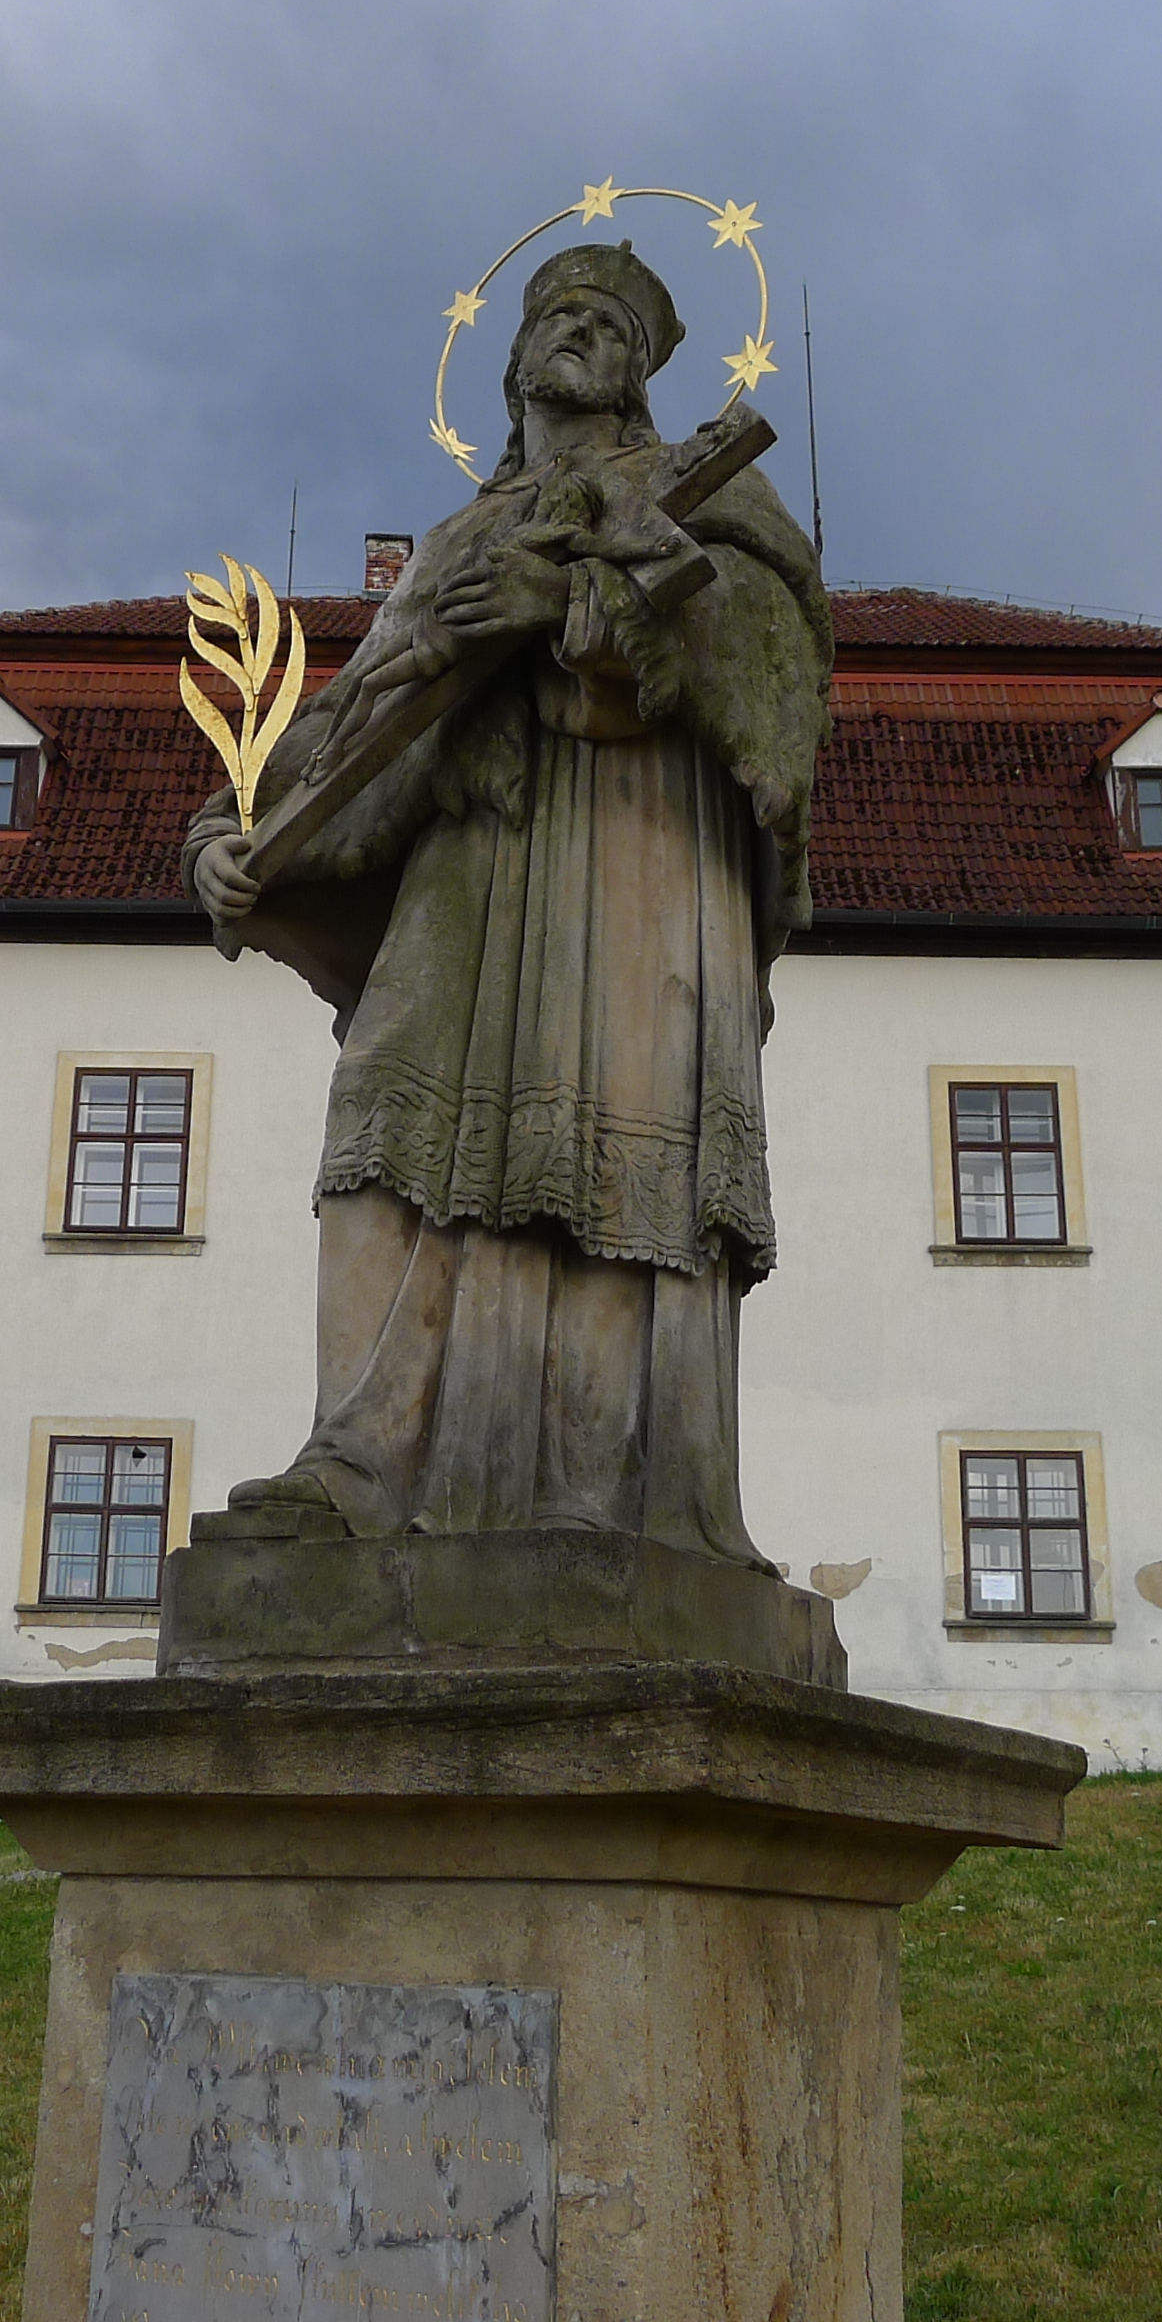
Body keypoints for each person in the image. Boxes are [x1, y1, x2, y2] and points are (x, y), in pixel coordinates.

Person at [186, 241, 831, 1569]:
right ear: (513, 358)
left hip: (631, 859)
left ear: (641, 373)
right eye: (560, 317)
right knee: (382, 1123)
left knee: (605, 1146)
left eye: (612, 326)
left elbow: (774, 660)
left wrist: (582, 604)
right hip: (467, 866)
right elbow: (355, 720)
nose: (582, 335)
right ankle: (355, 1462)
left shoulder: (707, 485)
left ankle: (597, 1491)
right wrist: (231, 835)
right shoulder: (458, 538)